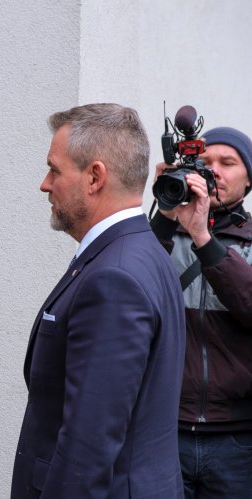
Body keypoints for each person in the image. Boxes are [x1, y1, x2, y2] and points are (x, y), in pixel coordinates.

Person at [11, 103, 186, 498]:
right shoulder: (141, 251)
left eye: (55, 170)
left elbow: (86, 448)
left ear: (94, 177)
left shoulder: (114, 277)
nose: (45, 184)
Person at [150, 126, 252, 498]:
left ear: (249, 180)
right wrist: (164, 216)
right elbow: (132, 294)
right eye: (205, 162)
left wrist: (203, 239)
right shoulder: (161, 238)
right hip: (165, 430)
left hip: (238, 439)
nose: (214, 171)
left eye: (228, 162)